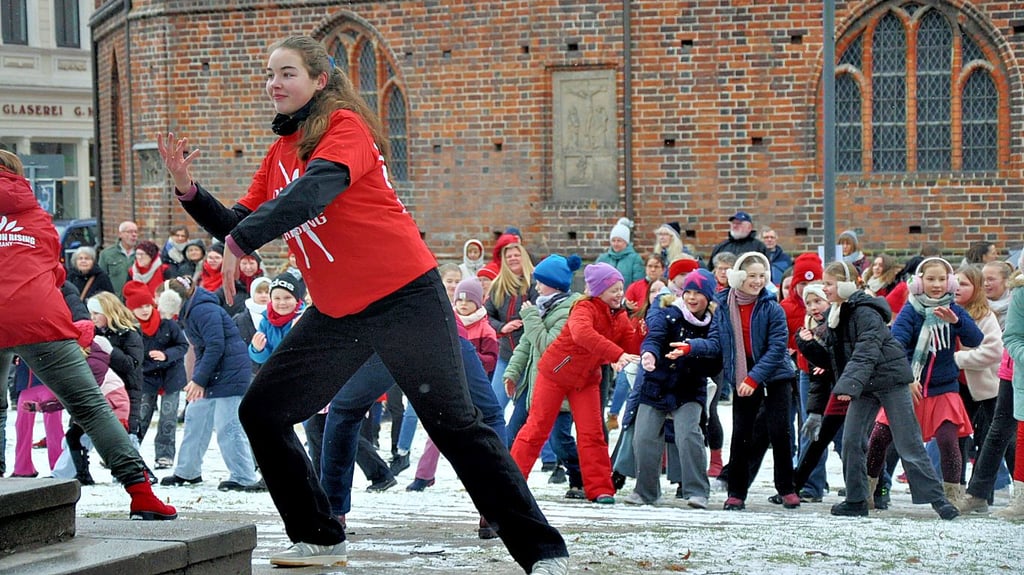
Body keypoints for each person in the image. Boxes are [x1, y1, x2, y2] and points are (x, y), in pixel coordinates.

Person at [156, 35, 568, 573]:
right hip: (337, 312)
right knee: (263, 411)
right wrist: (189, 190)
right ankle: (320, 537)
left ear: (319, 81)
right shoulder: (278, 154)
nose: (274, 83)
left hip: (405, 297)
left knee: (455, 424)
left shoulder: (344, 128)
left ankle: (542, 551)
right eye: (270, 74)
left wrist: (240, 242)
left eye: (287, 73)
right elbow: (239, 225)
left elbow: (315, 192)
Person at [0, 148, 175, 519]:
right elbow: (55, 272)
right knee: (91, 408)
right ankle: (141, 492)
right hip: (37, 317)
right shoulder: (35, 215)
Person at [796, 260, 959, 520]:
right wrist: (806, 345)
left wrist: (848, 386)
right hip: (863, 383)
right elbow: (833, 359)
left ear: (847, 284)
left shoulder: (865, 312)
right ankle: (857, 499)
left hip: (889, 379)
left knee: (908, 443)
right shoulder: (835, 314)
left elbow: (866, 351)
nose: (824, 288)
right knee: (851, 440)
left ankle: (940, 502)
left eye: (829, 283)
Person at [676, 251, 797, 510]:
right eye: (752, 275)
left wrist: (754, 378)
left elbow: (777, 348)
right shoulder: (723, 305)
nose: (757, 281)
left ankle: (787, 488)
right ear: (739, 277)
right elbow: (717, 342)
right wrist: (690, 347)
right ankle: (736, 492)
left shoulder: (771, 306)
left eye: (762, 276)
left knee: (780, 431)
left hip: (775, 372)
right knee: (741, 432)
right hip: (743, 371)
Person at [510, 263, 639, 503]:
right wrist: (616, 355)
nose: (619, 294)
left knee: (592, 433)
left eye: (621, 289)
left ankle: (600, 488)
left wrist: (646, 341)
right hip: (555, 375)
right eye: (613, 290)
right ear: (599, 291)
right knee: (536, 429)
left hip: (587, 380)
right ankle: (513, 483)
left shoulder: (619, 317)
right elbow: (583, 335)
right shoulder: (583, 308)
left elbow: (632, 345)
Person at [870, 257, 983, 503]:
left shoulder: (954, 310)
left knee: (947, 440)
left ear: (950, 282)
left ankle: (952, 496)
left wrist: (957, 322)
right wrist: (907, 378)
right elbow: (895, 346)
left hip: (944, 389)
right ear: (919, 282)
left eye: (942, 279)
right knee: (880, 437)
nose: (937, 284)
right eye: (931, 279)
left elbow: (976, 340)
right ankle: (868, 490)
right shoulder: (911, 310)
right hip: (909, 387)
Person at [158, 276, 264, 492]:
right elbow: (202, 349)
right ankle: (187, 472)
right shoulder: (192, 310)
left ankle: (243, 476)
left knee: (228, 426)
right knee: (195, 417)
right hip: (213, 373)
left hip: (230, 373)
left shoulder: (203, 309)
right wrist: (199, 380)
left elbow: (216, 345)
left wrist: (199, 380)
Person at [631, 269, 721, 508]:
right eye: (688, 291)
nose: (691, 298)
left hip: (690, 386)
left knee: (688, 434)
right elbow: (654, 336)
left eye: (698, 293)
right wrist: (649, 353)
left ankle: (697, 490)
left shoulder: (715, 320)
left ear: (708, 297)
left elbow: (714, 347)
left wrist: (691, 348)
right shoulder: (668, 313)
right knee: (644, 437)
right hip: (657, 382)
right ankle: (645, 491)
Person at [503, 254, 585, 496]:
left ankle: (578, 477)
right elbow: (526, 344)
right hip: (532, 386)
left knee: (560, 440)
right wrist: (512, 372)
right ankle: (507, 482)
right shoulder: (541, 307)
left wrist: (529, 318)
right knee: (513, 433)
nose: (536, 286)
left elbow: (549, 348)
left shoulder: (567, 311)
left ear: (555, 283)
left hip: (557, 388)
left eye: (540, 281)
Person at [950, 264, 1003, 502]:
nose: (958, 288)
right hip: (956, 386)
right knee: (956, 437)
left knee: (990, 440)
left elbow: (993, 352)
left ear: (976, 288)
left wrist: (958, 359)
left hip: (986, 388)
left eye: (964, 284)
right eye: (956, 283)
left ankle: (982, 494)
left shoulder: (985, 315)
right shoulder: (945, 311)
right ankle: (956, 489)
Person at [124, 280, 189, 470]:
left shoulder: (167, 324)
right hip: (145, 378)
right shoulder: (131, 330)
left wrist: (166, 355)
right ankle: (130, 452)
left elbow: (182, 346)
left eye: (146, 305)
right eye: (138, 307)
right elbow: (130, 356)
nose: (144, 310)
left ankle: (165, 455)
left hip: (171, 377)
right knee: (140, 416)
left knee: (168, 418)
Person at [486, 235, 537, 416]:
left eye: (517, 255)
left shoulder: (535, 283)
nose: (513, 259)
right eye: (509, 257)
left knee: (528, 410)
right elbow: (487, 315)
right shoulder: (498, 286)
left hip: (530, 357)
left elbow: (539, 316)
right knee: (495, 405)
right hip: (506, 354)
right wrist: (502, 327)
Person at [87, 292, 145, 444]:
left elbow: (132, 364)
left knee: (125, 437)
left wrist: (111, 351)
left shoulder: (129, 334)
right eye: (91, 313)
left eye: (96, 313)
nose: (92, 317)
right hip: (102, 388)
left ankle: (131, 465)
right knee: (80, 435)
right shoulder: (95, 332)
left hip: (126, 390)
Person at [596, 217, 645, 287]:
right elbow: (595, 280)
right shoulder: (602, 259)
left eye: (619, 241)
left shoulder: (635, 259)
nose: (615, 244)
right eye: (613, 240)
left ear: (626, 242)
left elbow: (638, 284)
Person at [98, 220, 139, 296]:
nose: (133, 235)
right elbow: (100, 279)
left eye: (135, 232)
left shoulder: (142, 253)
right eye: (129, 232)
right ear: (120, 234)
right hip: (115, 300)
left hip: (136, 299)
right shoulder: (107, 254)